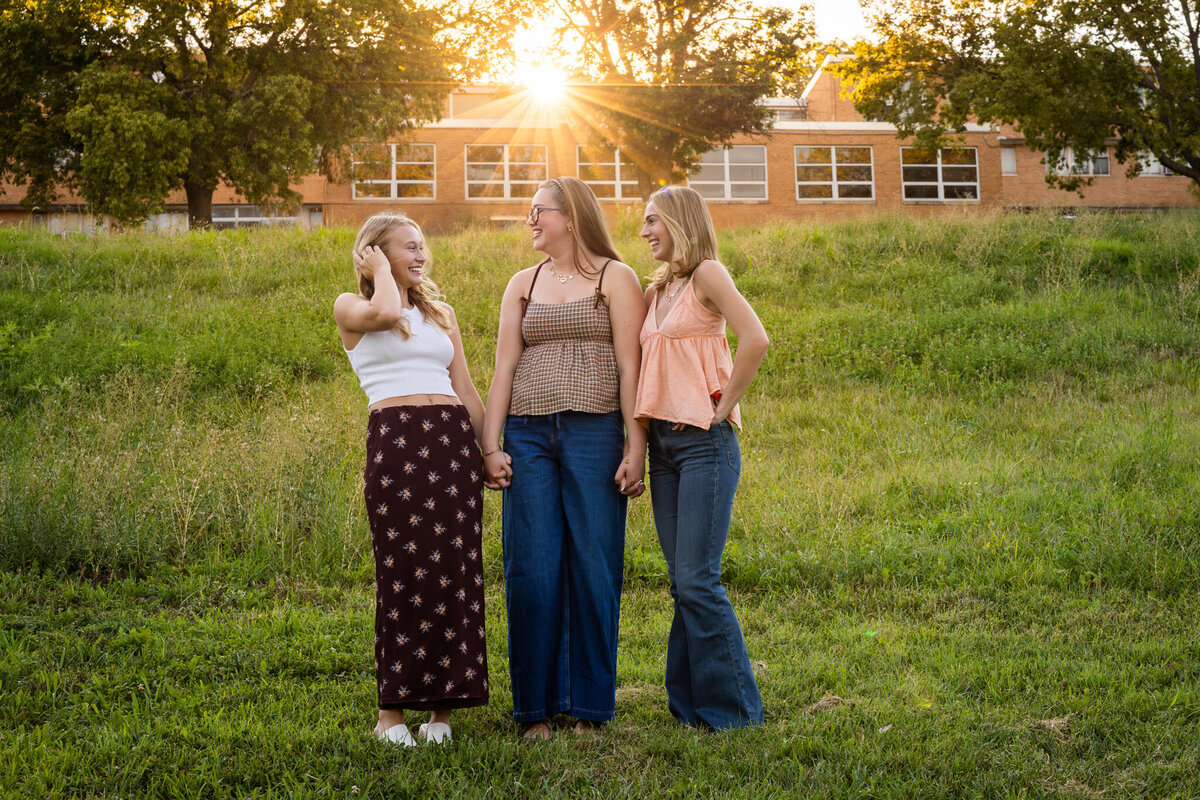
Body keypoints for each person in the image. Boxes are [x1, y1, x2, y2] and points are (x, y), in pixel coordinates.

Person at [481, 177, 647, 740]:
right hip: (526, 436)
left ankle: (589, 707)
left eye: (538, 212)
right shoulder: (520, 284)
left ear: (571, 217)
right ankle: (535, 709)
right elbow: (504, 367)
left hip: (594, 433)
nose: (529, 221)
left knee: (595, 568)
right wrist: (491, 443)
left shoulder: (615, 277)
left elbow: (631, 366)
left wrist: (634, 443)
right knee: (532, 568)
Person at [334, 211, 489, 747]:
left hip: (450, 447)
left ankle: (441, 713)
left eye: (423, 246)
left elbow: (467, 391)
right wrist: (379, 274)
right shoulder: (355, 307)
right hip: (398, 448)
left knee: (454, 572)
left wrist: (488, 451)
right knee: (402, 574)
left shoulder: (441, 314)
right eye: (407, 248)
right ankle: (391, 715)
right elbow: (383, 310)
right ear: (373, 254)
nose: (420, 255)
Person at [634, 185, 770, 730]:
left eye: (652, 221)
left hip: (703, 443)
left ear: (678, 221)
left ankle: (735, 713)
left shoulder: (708, 273)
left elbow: (755, 338)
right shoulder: (660, 288)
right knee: (682, 579)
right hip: (664, 448)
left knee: (697, 579)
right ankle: (689, 707)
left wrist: (723, 407)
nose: (644, 232)